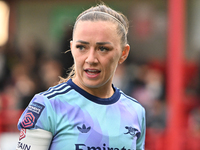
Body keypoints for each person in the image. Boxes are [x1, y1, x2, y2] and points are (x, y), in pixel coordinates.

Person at [16, 3, 146, 150]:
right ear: (71, 48)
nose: (91, 59)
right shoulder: (47, 106)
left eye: (103, 48)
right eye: (81, 47)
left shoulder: (135, 111)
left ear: (123, 53)